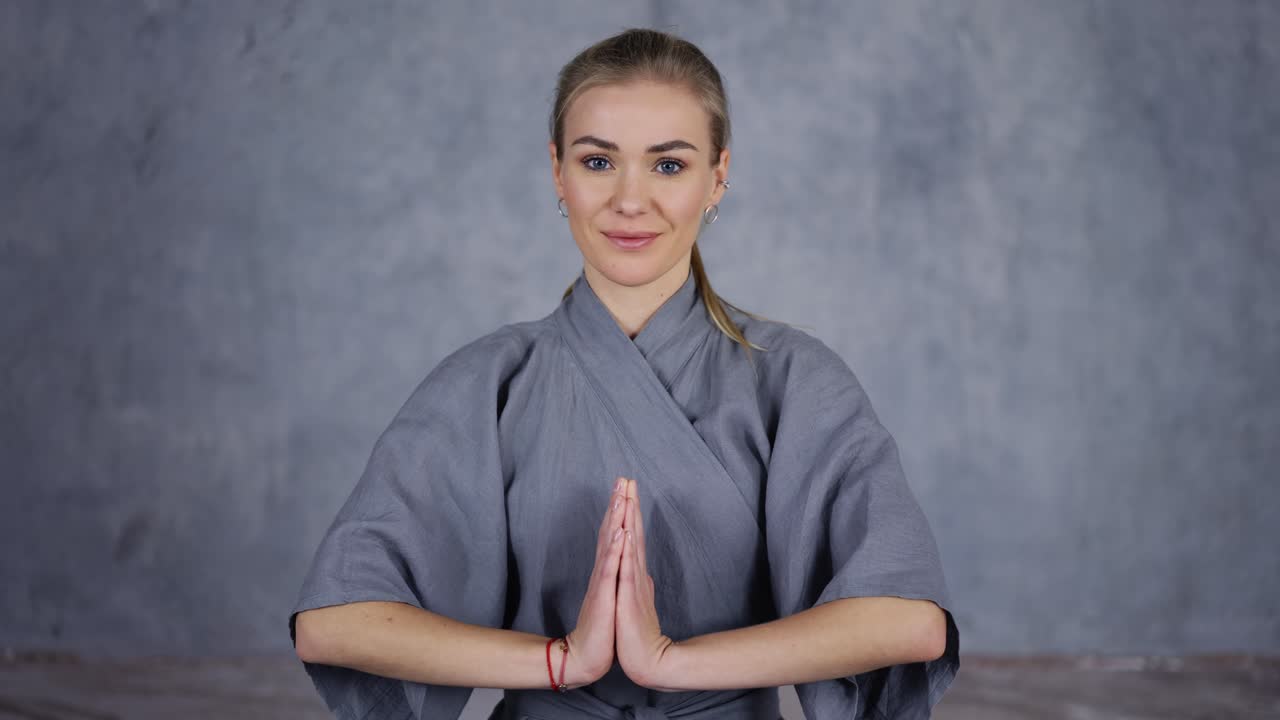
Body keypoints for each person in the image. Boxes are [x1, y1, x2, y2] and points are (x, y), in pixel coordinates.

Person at [289, 27, 959, 720]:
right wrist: (560, 660)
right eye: (598, 162)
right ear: (558, 172)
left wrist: (672, 661)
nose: (629, 200)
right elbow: (332, 623)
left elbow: (910, 621)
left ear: (717, 176)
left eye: (668, 165)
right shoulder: (487, 384)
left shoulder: (794, 380)